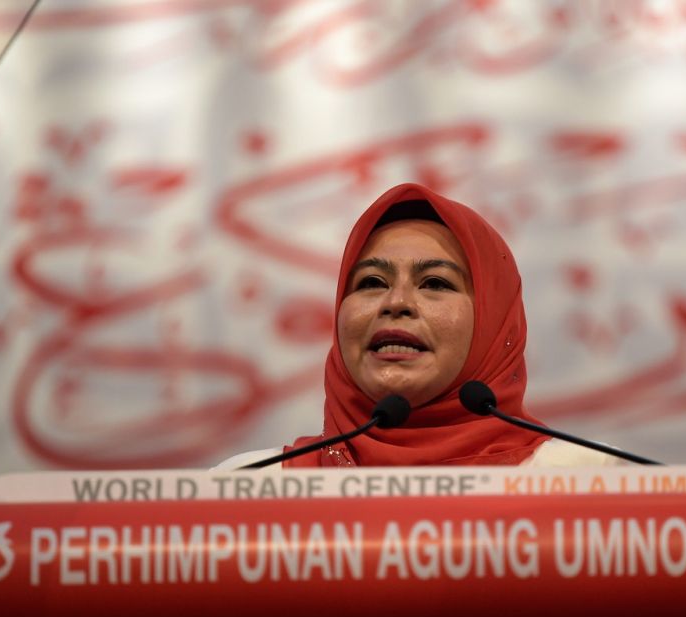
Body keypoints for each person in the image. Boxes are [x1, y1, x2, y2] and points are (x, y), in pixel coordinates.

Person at [217, 183, 619, 468]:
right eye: (372, 283)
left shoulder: (589, 480)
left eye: (435, 284)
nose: (396, 303)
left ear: (495, 326)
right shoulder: (249, 488)